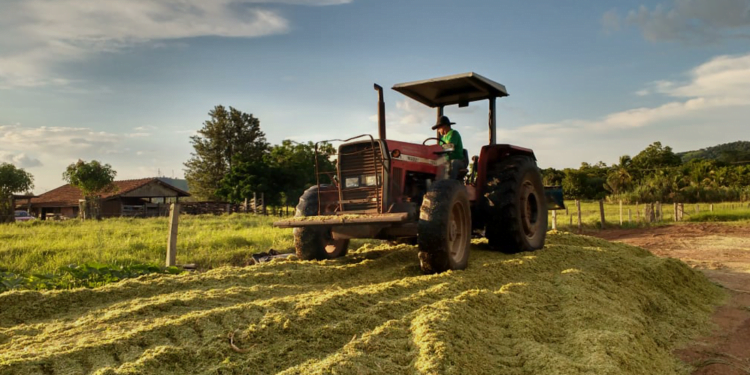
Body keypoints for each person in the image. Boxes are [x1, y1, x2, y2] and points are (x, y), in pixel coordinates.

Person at [432, 116, 466, 180]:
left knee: (453, 163)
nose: (438, 130)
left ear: (444, 126)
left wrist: (438, 149)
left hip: (458, 160)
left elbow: (450, 147)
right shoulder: (443, 138)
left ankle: (450, 183)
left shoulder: (454, 133)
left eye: (439, 128)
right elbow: (439, 149)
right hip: (446, 160)